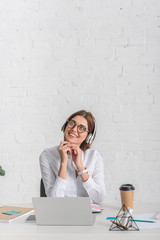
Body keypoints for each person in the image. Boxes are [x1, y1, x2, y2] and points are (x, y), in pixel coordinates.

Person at [39, 110, 106, 204]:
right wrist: (63, 163)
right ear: (65, 126)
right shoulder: (47, 155)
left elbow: (99, 198)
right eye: (72, 123)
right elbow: (54, 201)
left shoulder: (94, 156)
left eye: (81, 128)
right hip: (60, 214)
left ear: (88, 136)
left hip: (88, 214)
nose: (74, 129)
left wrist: (80, 166)